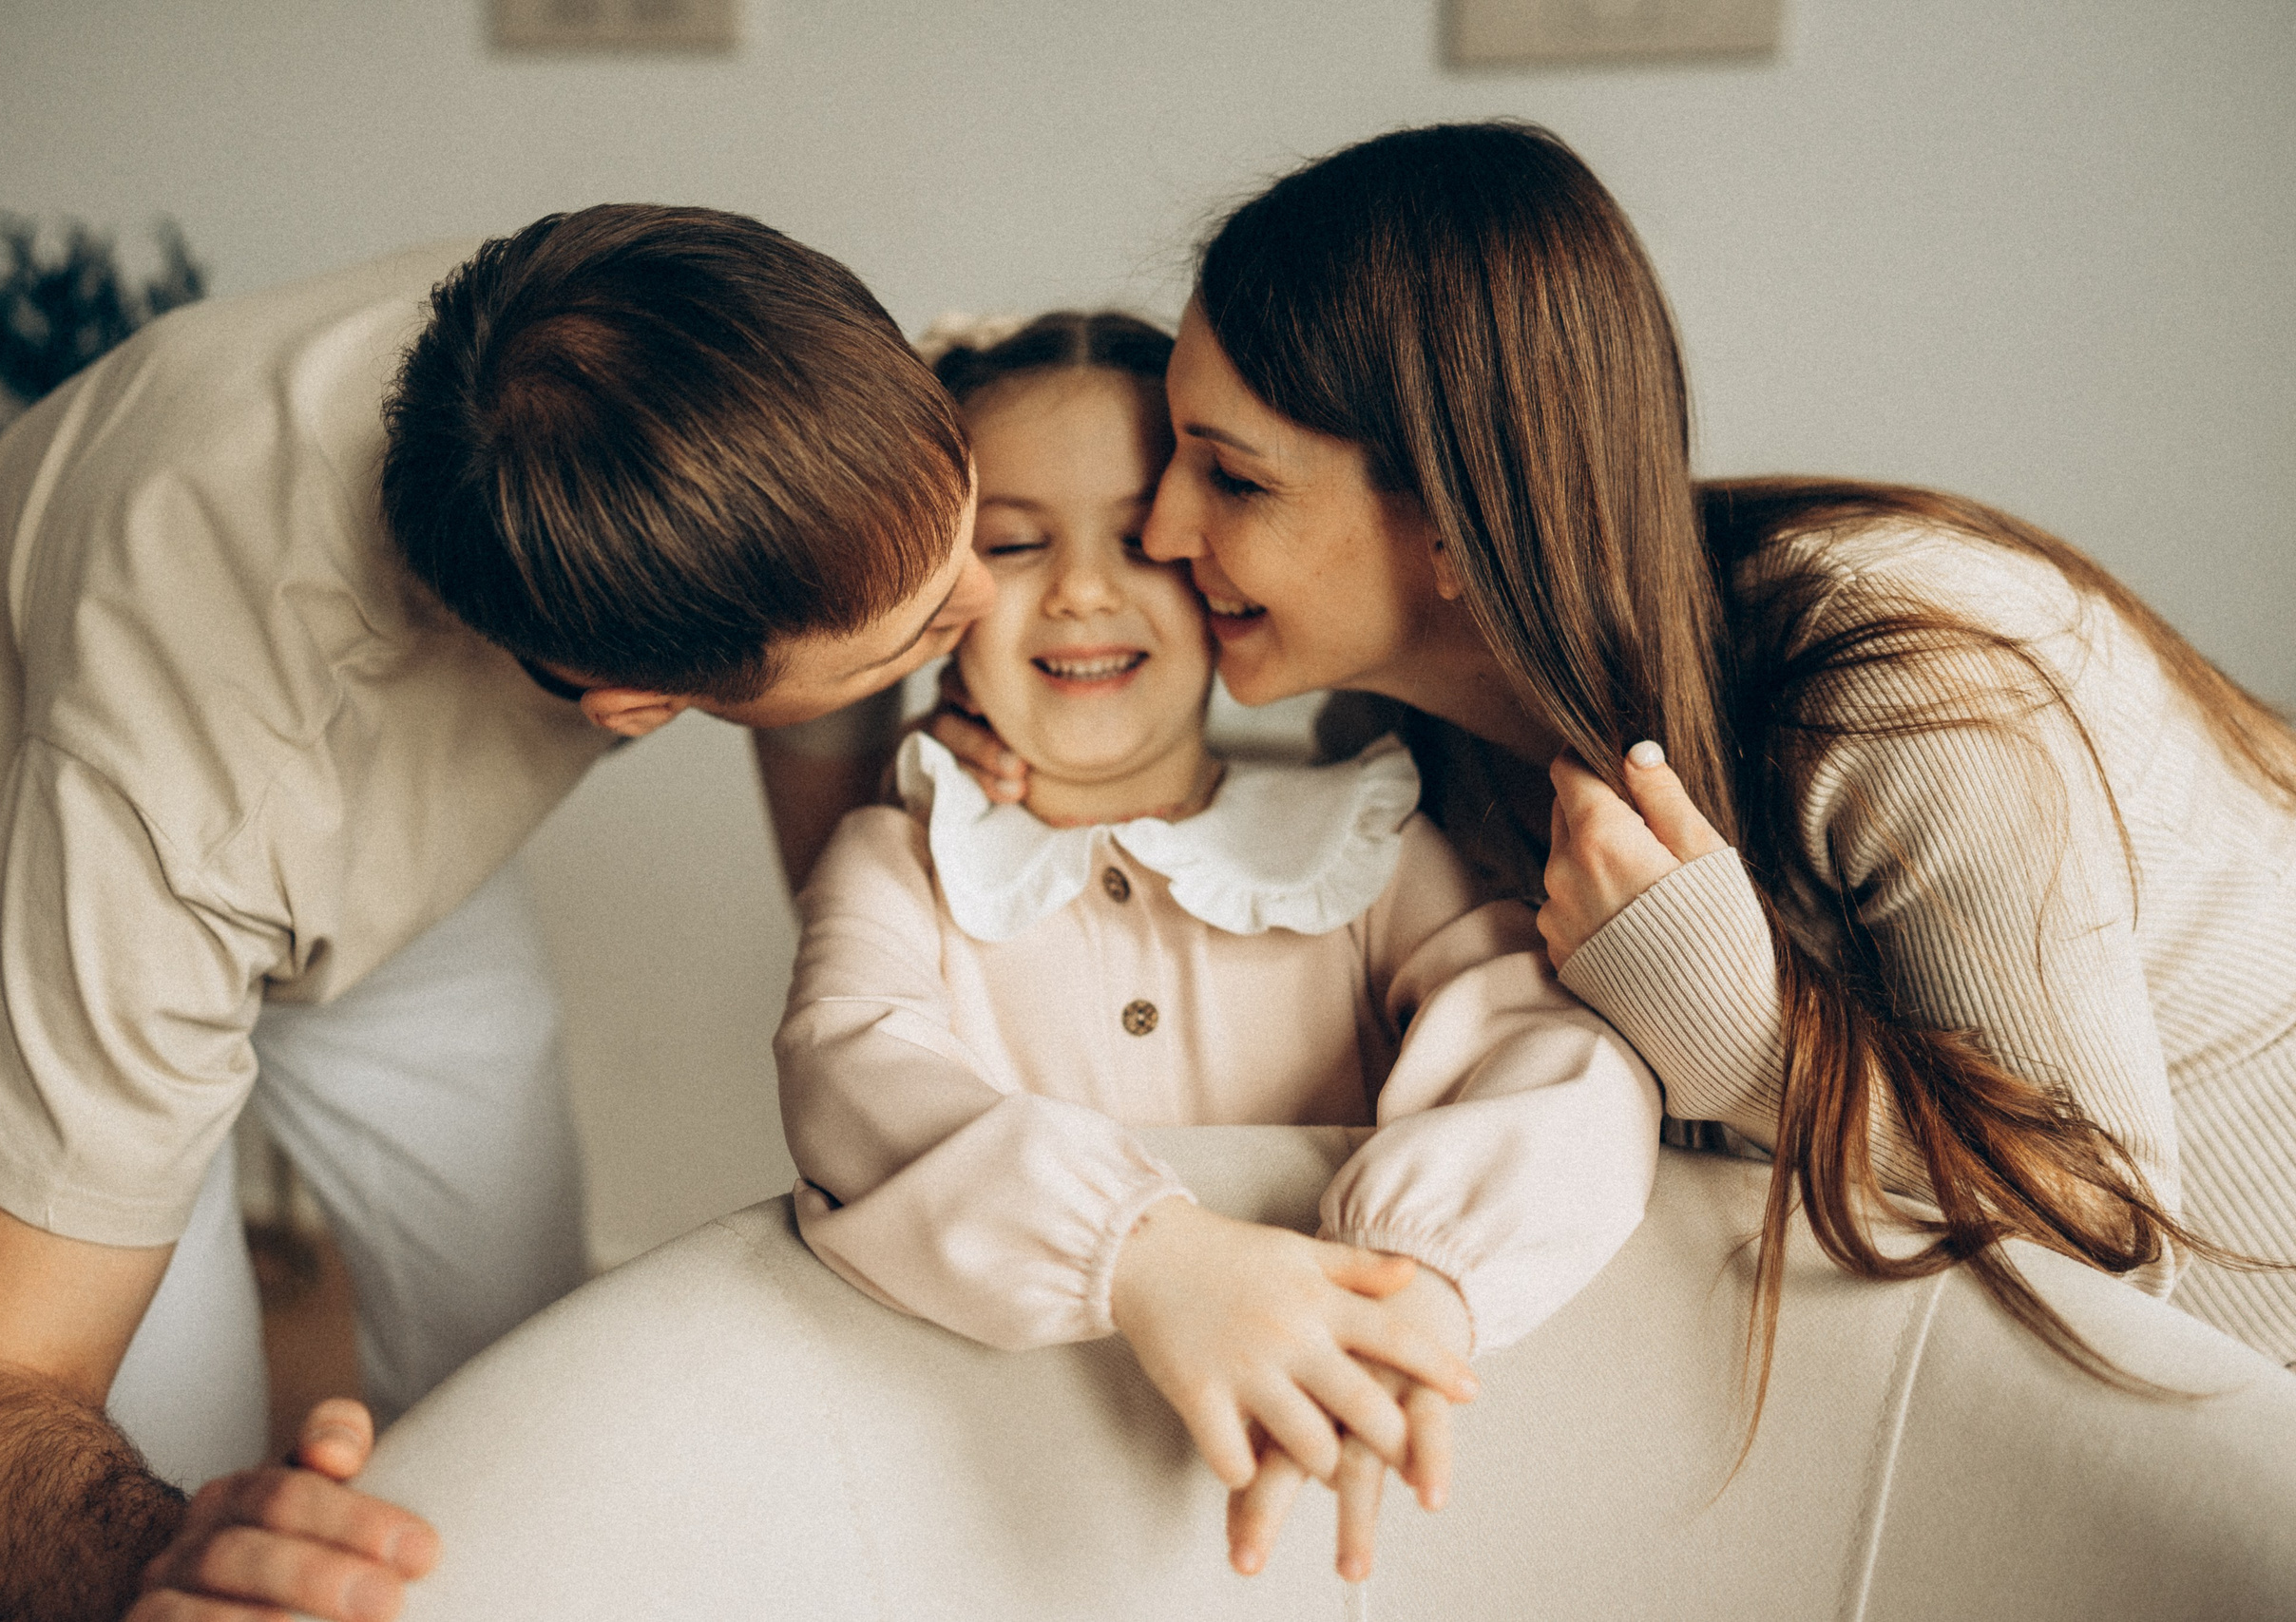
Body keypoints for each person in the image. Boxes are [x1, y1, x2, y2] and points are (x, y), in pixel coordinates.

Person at [940, 117, 2296, 1514]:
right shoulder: (1404, 748)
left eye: (1232, 477)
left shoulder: (1913, 685)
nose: (1163, 528)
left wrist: (1740, 1035)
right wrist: (1039, 771)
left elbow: (2113, 1238)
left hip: (2241, 1408)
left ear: (1457, 522)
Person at [0, 204, 993, 1622]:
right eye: (923, 632)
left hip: (369, 837)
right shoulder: (178, 802)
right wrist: (163, 1561)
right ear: (639, 711)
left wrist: (891, 981)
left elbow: (847, 592)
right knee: (187, 1451)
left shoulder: (677, 322)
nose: (992, 599)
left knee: (520, 1336)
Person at [779, 312, 1661, 1581]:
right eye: (1014, 545)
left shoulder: (1366, 838)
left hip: (1340, 1504)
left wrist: (1427, 1276)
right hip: (992, 1515)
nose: (1082, 590)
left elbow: (1559, 1059)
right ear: (938, 598)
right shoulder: (901, 862)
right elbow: (845, 1073)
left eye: (1140, 540)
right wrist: (1141, 1253)